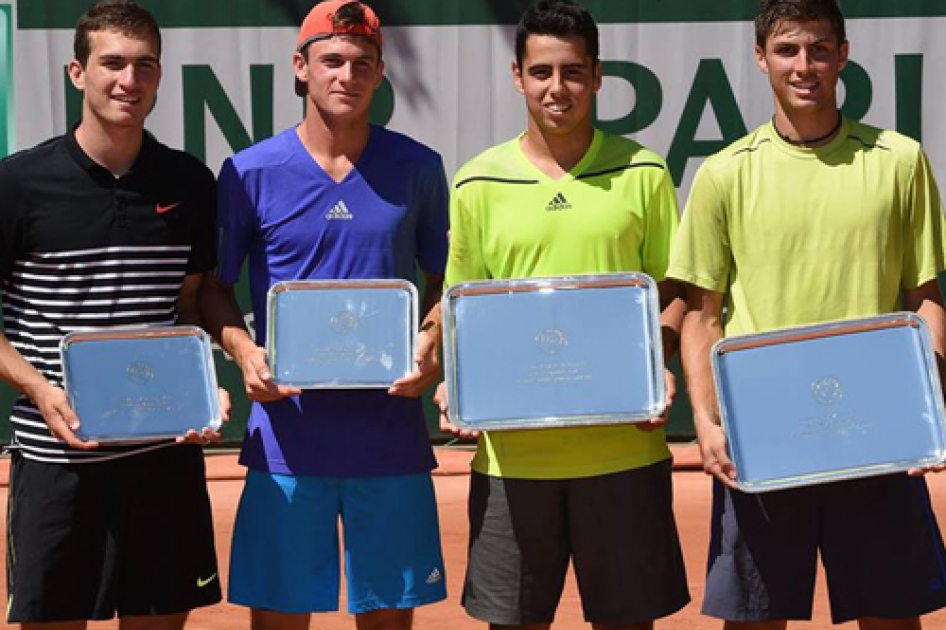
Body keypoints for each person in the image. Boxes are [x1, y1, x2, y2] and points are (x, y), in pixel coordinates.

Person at [668, 0, 946, 627]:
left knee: (893, 616)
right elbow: (703, 315)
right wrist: (708, 422)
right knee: (756, 618)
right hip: (762, 441)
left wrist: (927, 410)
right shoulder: (722, 175)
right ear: (761, 58)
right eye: (788, 50)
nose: (805, 65)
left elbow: (924, 297)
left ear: (843, 55)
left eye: (820, 49)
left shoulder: (900, 161)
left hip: (877, 435)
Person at [436, 1, 689, 628]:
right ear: (517, 76)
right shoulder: (476, 183)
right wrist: (457, 384)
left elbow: (675, 289)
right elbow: (463, 305)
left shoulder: (645, 171)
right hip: (513, 462)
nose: (558, 88)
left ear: (598, 76)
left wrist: (658, 361)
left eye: (573, 72)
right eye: (542, 72)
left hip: (624, 455)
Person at [198, 1, 449, 629]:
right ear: (301, 68)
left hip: (389, 437)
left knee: (389, 623)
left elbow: (449, 284)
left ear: (380, 73)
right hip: (287, 441)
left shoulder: (418, 168)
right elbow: (214, 293)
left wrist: (432, 342)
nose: (347, 75)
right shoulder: (248, 172)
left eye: (363, 63)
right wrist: (244, 352)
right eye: (332, 60)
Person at [0, 0, 225, 627]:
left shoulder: (189, 181)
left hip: (164, 458)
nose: (129, 80)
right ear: (78, 72)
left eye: (145, 65)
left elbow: (188, 305)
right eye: (113, 64)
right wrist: (38, 389)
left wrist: (203, 389)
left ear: (159, 74)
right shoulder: (18, 184)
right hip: (58, 464)